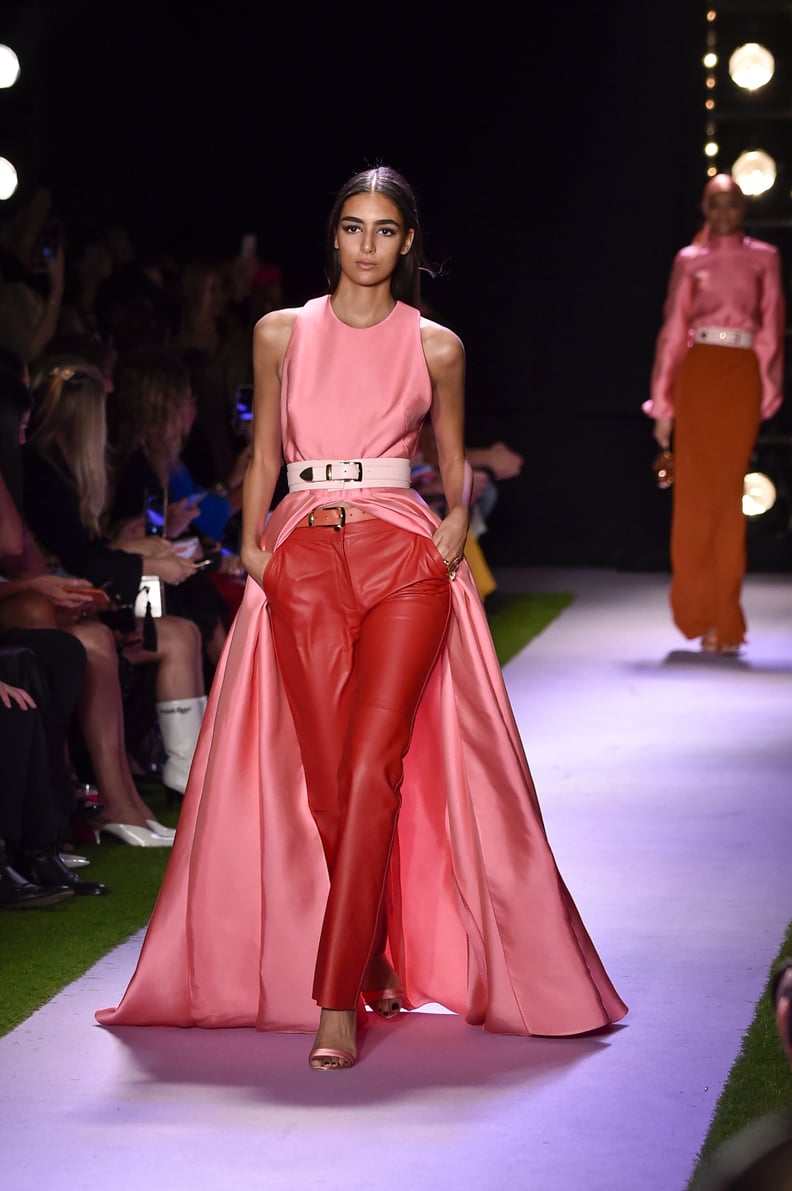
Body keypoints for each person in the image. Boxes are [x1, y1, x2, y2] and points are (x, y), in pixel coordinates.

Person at [96, 166, 627, 1070]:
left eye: (385, 230)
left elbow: (451, 466)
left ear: (407, 243)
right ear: (333, 235)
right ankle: (373, 944)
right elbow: (263, 452)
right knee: (331, 782)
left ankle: (336, 997)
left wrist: (454, 524)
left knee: (376, 765)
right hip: (302, 554)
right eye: (353, 227)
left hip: (404, 558)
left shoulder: (438, 347)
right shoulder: (279, 332)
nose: (368, 245)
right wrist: (260, 551)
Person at [643, 173, 785, 655]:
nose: (724, 212)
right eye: (715, 204)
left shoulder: (765, 257)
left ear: (744, 208)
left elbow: (772, 326)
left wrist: (768, 390)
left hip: (741, 375)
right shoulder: (690, 260)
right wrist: (663, 405)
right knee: (694, 497)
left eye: (732, 204)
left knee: (728, 497)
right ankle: (698, 611)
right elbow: (672, 330)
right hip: (699, 375)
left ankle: (726, 618)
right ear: (705, 208)